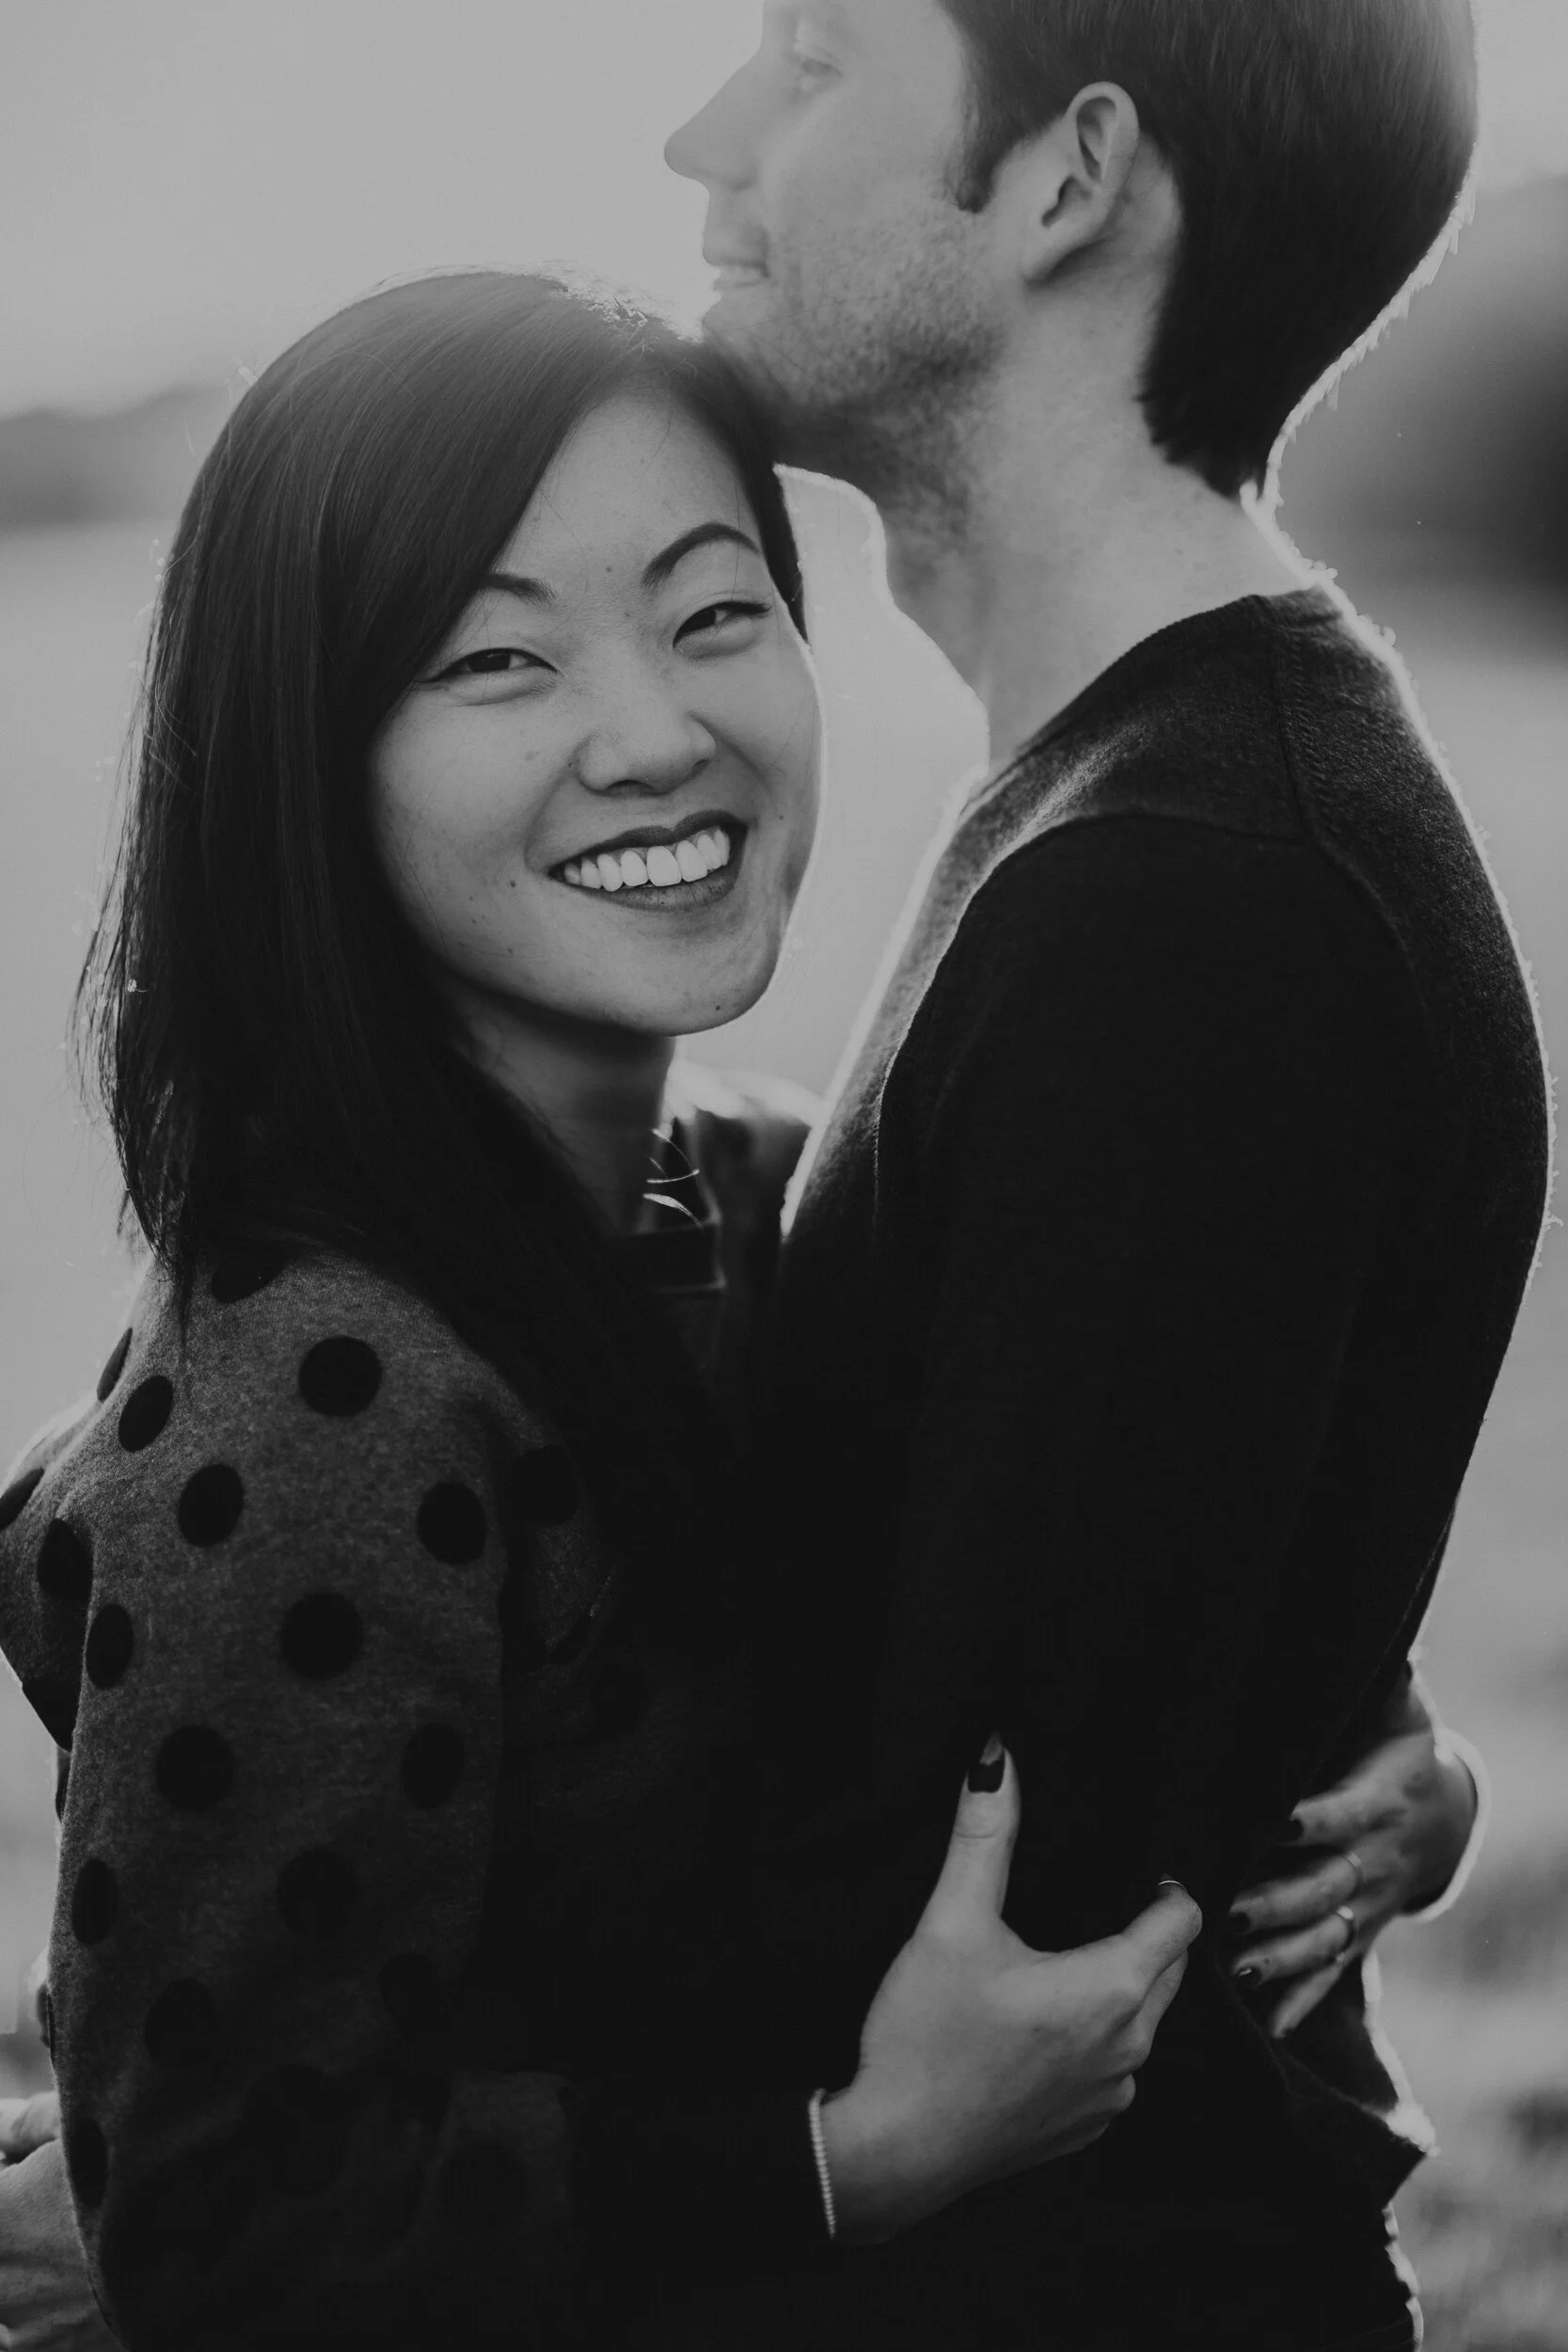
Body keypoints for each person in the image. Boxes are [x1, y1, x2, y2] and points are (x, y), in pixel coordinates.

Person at [0, 273, 1206, 2351]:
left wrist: (1386, 1760)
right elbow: (229, 2228)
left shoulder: (769, 1180)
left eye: (715, 610)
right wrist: (849, 2158)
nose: (655, 734)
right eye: (496, 657)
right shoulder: (320, 1398)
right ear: (305, 756)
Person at [661, 0, 1549, 2343]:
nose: (698, 133)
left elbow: (958, 1923)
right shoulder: (1138, 804)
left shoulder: (1197, 902)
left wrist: (251, 2223)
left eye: (811, 56)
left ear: (1063, 178)